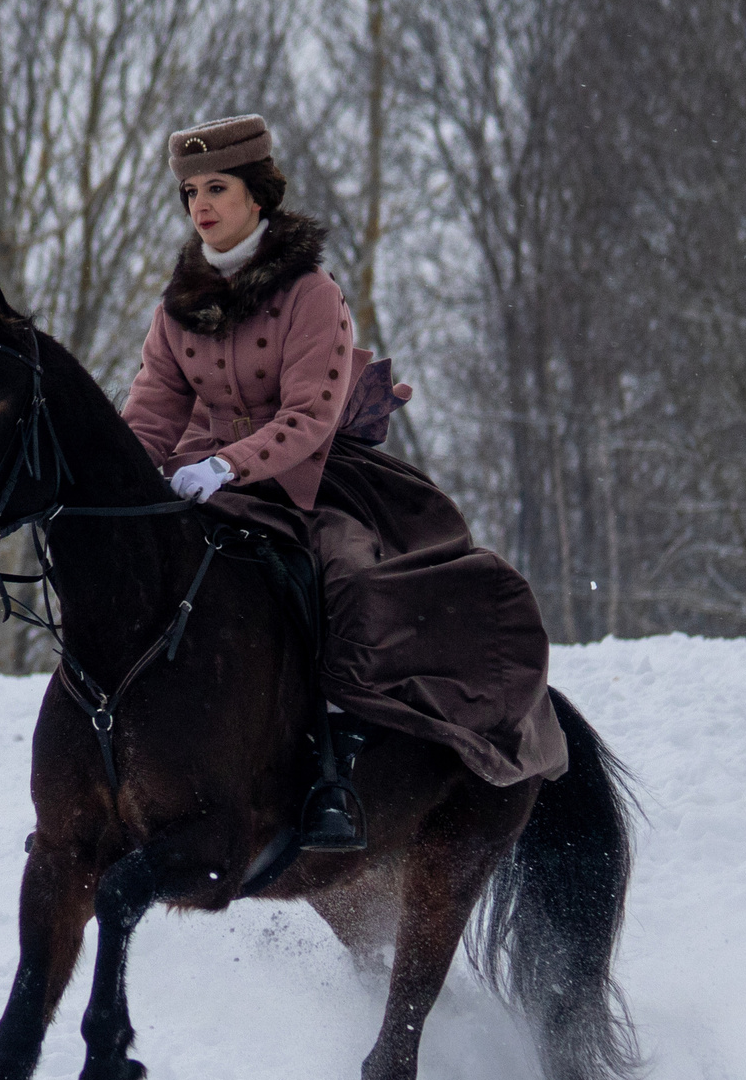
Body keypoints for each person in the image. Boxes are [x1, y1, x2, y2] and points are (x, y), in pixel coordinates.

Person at [121, 114, 568, 851]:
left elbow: (308, 416)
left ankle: (339, 759)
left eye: (218, 187)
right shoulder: (175, 309)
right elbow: (151, 412)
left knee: (348, 580)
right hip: (202, 483)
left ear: (258, 196)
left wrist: (226, 464)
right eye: (190, 190)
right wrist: (132, 483)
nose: (200, 202)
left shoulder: (311, 294)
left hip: (311, 480)